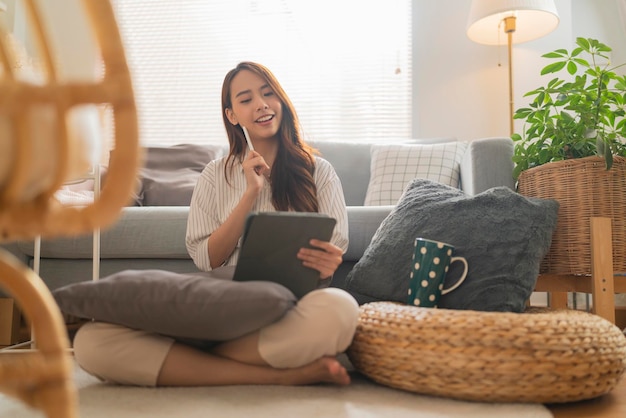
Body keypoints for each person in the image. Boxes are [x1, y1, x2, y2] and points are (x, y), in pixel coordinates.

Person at [73, 61, 359, 387]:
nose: (262, 104)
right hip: (222, 309)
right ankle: (278, 374)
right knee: (91, 342)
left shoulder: (318, 171)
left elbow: (335, 246)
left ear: (281, 101)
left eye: (268, 94)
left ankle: (188, 362)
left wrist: (327, 264)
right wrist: (250, 193)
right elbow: (208, 258)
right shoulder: (214, 174)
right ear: (232, 115)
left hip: (289, 311)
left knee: (340, 310)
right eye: (246, 98)